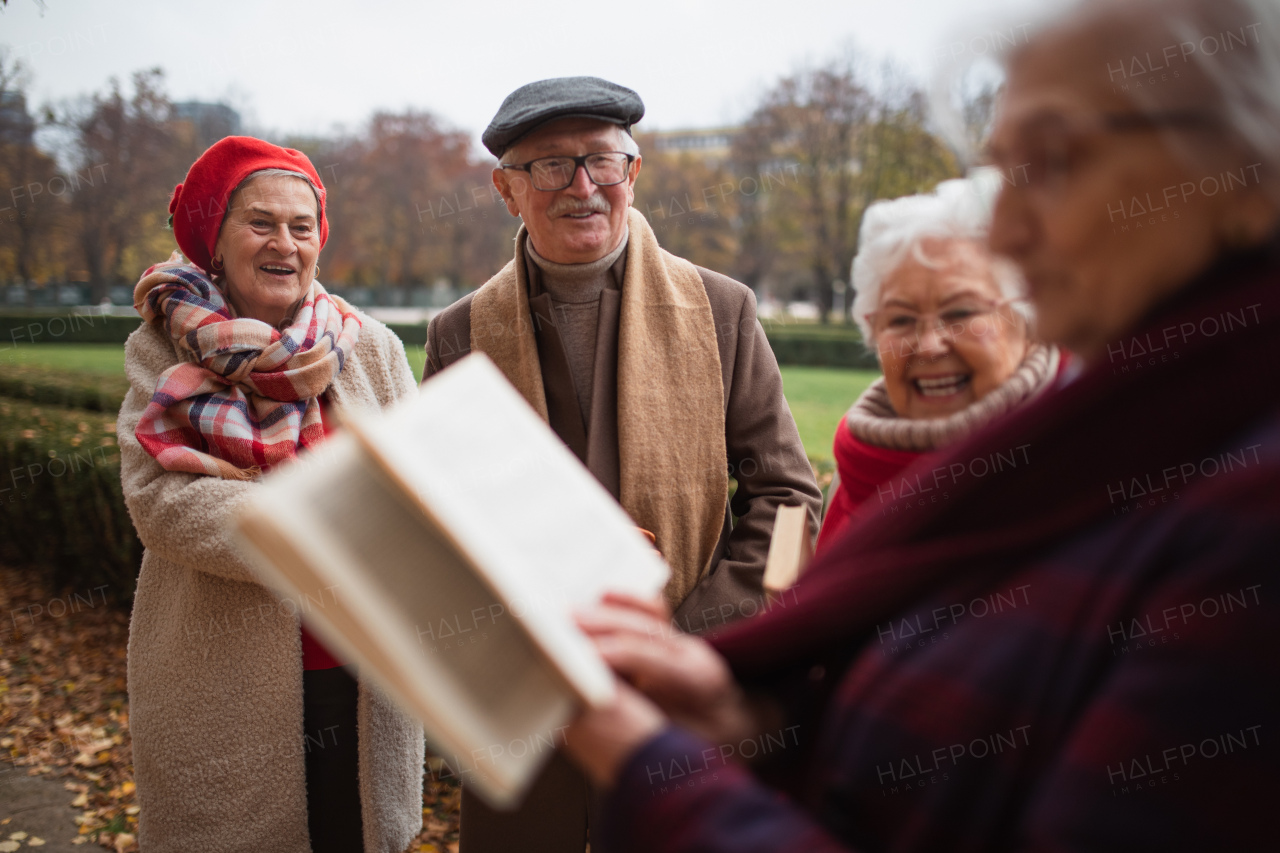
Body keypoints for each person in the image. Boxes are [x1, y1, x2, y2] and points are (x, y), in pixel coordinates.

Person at [560, 0, 1280, 850]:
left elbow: (783, 499)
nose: (1009, 229)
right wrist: (748, 719)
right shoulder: (1092, 454)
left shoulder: (1238, 510)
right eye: (899, 320)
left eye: (1054, 159)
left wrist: (662, 760)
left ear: (1249, 173)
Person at [423, 77, 822, 852]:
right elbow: (438, 518)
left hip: (684, 689)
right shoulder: (460, 332)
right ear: (507, 189)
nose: (582, 186)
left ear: (633, 173)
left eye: (602, 161)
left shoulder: (723, 309)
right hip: (526, 695)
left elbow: (790, 499)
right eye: (549, 167)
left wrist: (687, 637)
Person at [118, 137, 424, 853]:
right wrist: (324, 525)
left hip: (362, 674)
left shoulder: (369, 344)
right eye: (261, 222)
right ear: (214, 241)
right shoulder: (161, 345)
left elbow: (424, 485)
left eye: (302, 225)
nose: (284, 242)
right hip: (221, 682)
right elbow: (162, 504)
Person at [818, 171, 1062, 551]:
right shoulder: (856, 468)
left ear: (1028, 319)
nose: (929, 346)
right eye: (900, 319)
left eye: (961, 313)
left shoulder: (1075, 454)